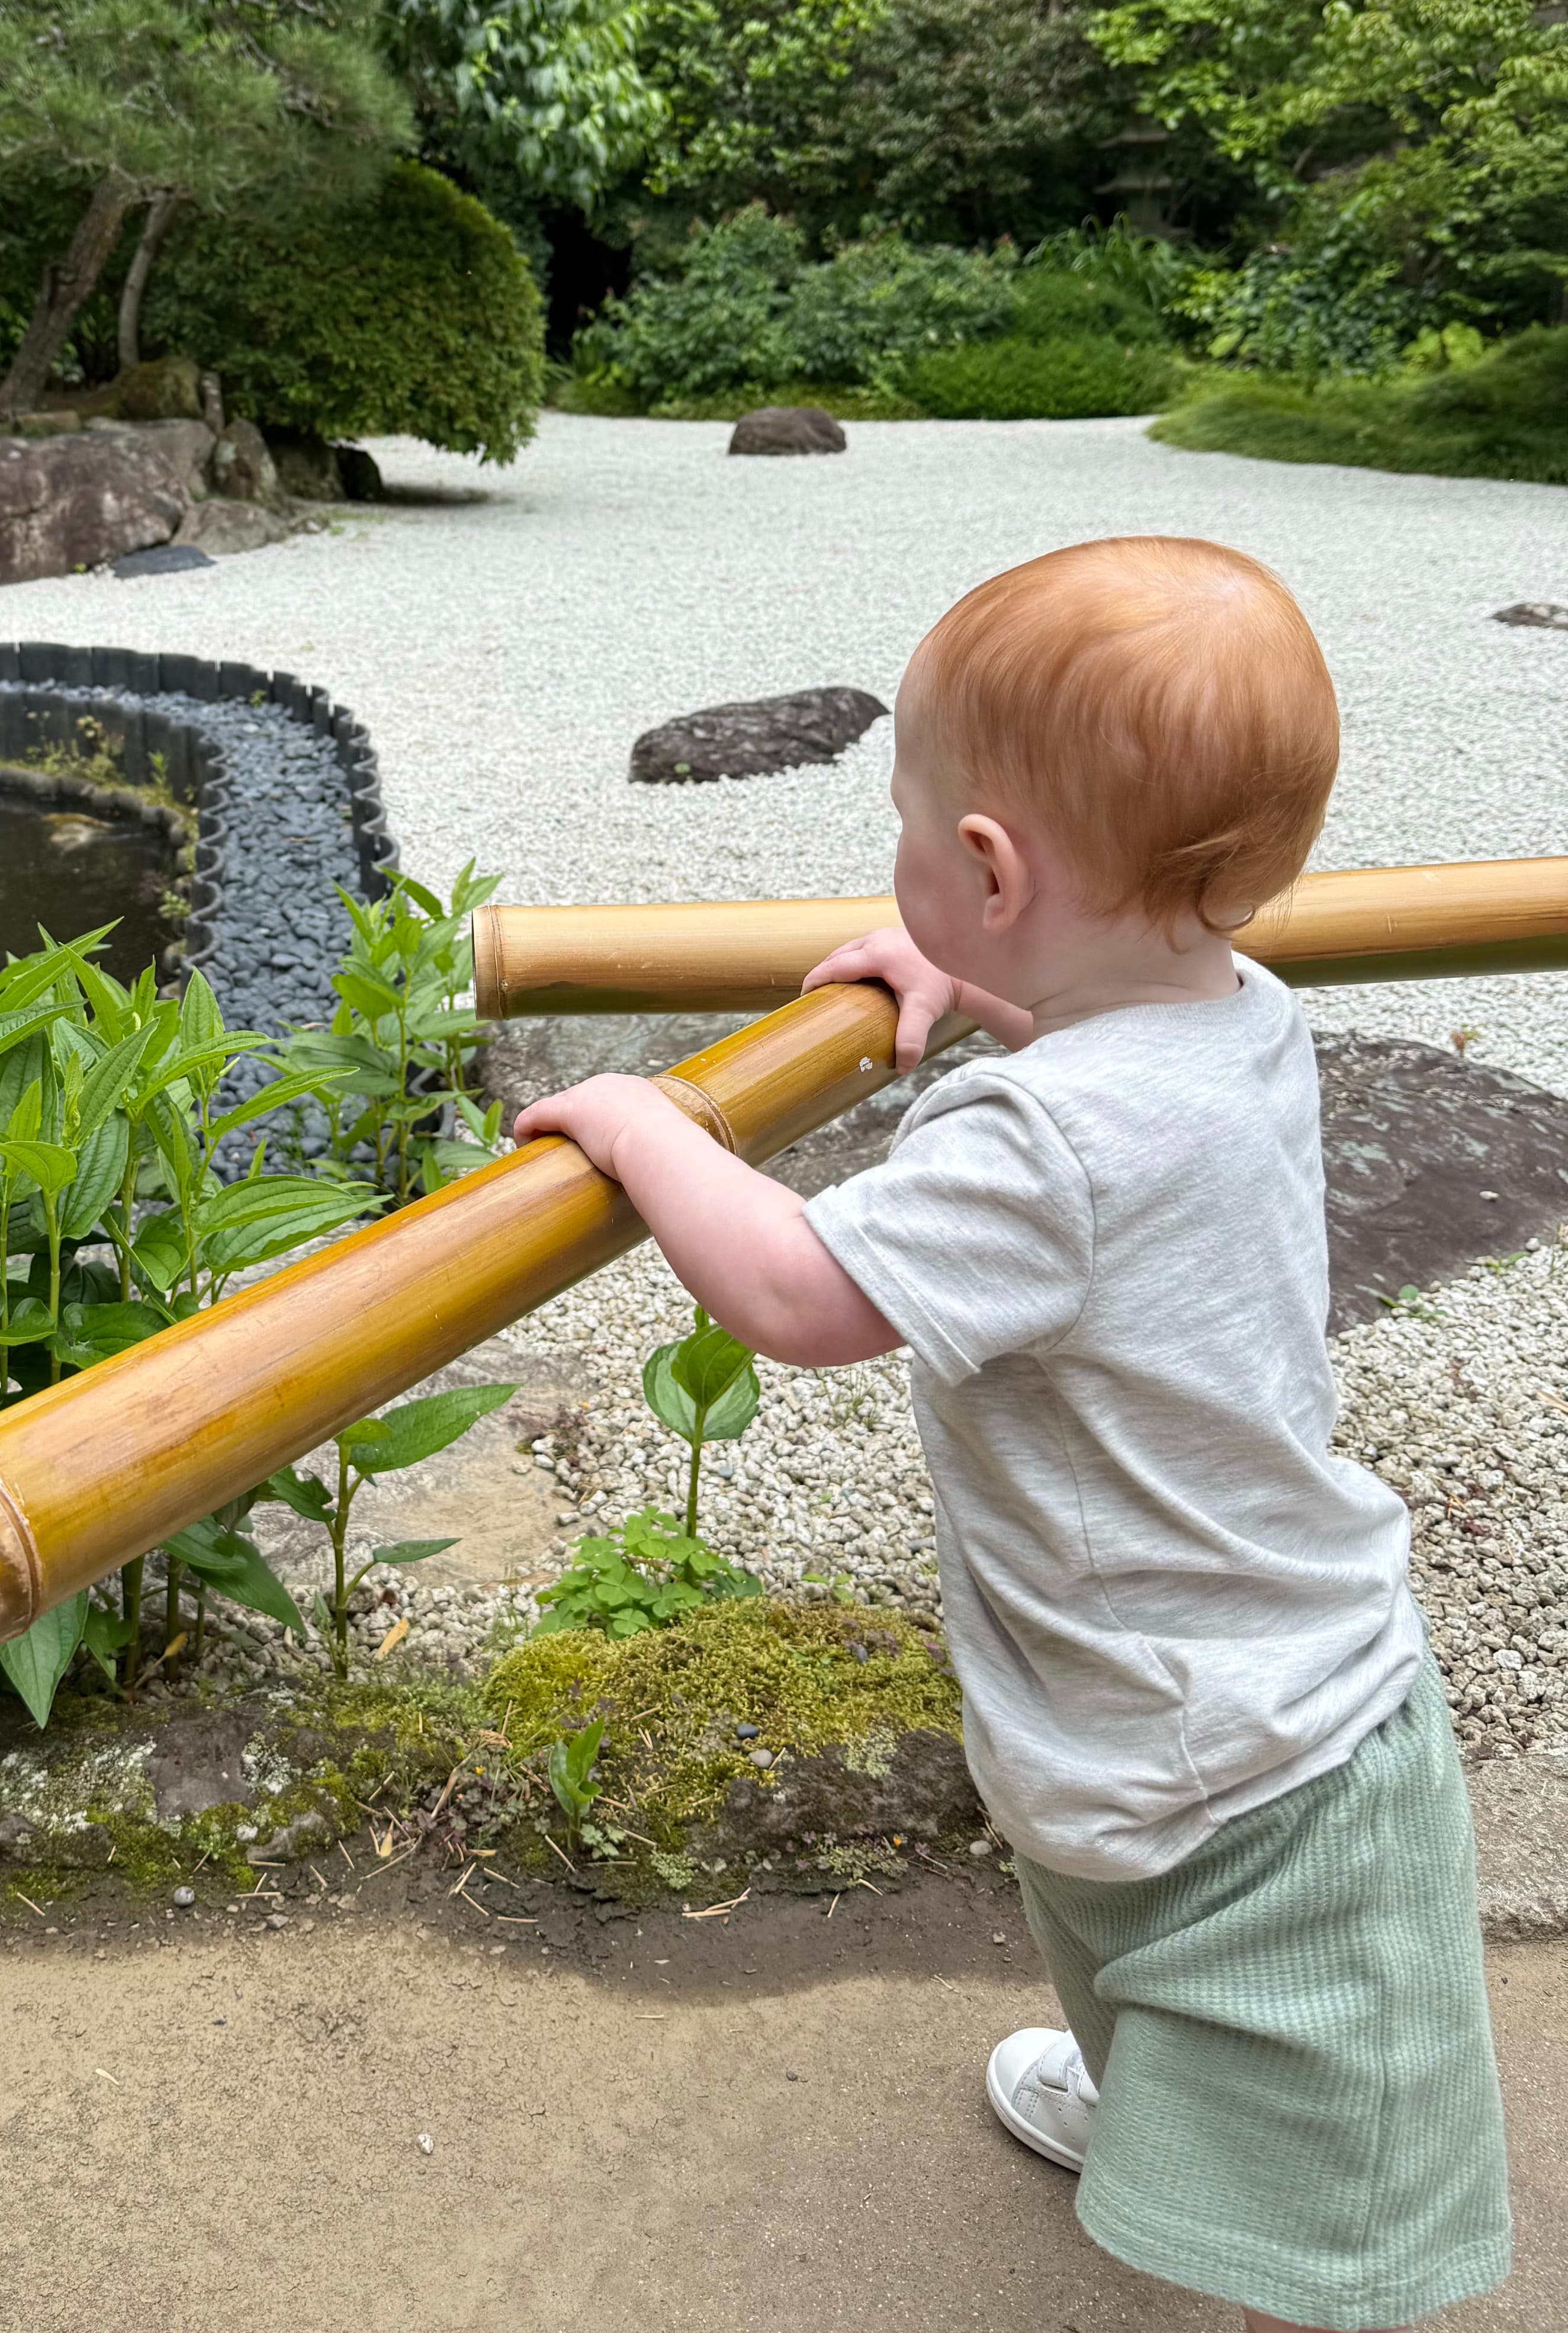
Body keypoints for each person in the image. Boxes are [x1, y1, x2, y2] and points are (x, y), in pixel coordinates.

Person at [515, 536, 1510, 2331]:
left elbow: (809, 1298)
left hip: (1258, 1746)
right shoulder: (1241, 1014)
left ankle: (1293, 2242)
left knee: (1324, 2112)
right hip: (1168, 1686)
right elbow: (1108, 1013)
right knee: (1117, 1931)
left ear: (986, 865)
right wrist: (971, 978)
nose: (897, 869)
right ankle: (1153, 2104)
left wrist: (654, 1129)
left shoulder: (1037, 1146)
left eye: (912, 832)